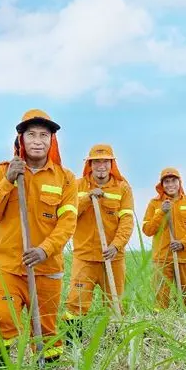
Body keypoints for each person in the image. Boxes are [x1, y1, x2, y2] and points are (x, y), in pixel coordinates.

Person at [0, 110, 78, 370]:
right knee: (2, 320)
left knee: (46, 329)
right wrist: (8, 180)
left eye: (43, 135)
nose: (37, 141)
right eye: (31, 134)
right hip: (10, 266)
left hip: (47, 268)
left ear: (52, 141)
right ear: (21, 139)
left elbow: (67, 223)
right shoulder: (2, 171)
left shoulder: (66, 179)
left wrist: (45, 250)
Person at [62, 144, 135, 343]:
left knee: (114, 303)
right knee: (76, 302)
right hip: (84, 257)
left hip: (112, 257)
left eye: (105, 161)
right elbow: (68, 214)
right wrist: (87, 198)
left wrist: (116, 245)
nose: (101, 166)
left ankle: (114, 344)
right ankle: (73, 345)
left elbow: (127, 221)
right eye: (97, 161)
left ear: (111, 164)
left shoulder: (123, 189)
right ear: (90, 164)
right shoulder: (77, 186)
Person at [141, 168, 186, 309]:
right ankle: (161, 324)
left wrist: (183, 243)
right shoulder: (154, 204)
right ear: (161, 185)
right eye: (167, 182)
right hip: (162, 258)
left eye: (173, 181)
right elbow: (147, 230)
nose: (170, 185)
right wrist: (161, 212)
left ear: (179, 182)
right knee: (161, 297)